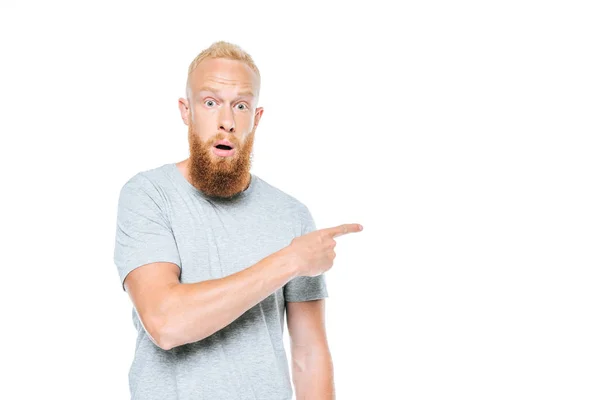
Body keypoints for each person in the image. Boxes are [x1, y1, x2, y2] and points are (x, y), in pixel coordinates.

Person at [113, 40, 363, 400]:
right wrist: (290, 260)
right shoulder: (149, 195)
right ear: (187, 111)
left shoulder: (291, 216)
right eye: (210, 102)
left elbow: (309, 355)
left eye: (241, 105)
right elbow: (165, 322)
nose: (226, 121)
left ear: (256, 118)